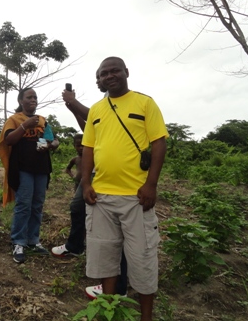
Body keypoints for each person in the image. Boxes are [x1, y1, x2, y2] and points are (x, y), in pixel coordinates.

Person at [81, 57, 168, 321]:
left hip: (136, 198)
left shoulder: (145, 103)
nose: (109, 76)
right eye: (104, 73)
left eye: (114, 71)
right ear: (100, 79)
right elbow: (88, 149)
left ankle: (146, 317)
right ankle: (110, 311)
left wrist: (151, 185)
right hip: (102, 198)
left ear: (126, 72)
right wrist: (86, 183)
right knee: (105, 260)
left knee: (142, 259)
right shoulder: (96, 109)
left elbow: (159, 143)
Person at [52, 76, 129, 299]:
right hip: (97, 173)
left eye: (104, 75)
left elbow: (101, 120)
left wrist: (74, 102)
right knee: (78, 208)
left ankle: (116, 286)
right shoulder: (105, 102)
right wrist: (74, 109)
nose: (99, 81)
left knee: (114, 231)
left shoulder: (119, 103)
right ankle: (76, 247)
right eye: (98, 76)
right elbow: (90, 128)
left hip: (112, 176)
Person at [0, 87, 59, 263]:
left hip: (41, 168)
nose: (33, 100)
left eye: (35, 97)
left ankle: (33, 240)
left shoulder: (42, 120)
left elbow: (53, 139)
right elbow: (8, 140)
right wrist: (25, 126)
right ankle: (18, 241)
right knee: (24, 204)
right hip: (22, 168)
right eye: (29, 97)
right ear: (20, 101)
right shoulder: (14, 120)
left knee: (37, 204)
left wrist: (52, 145)